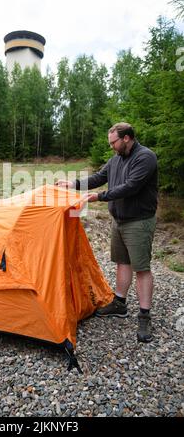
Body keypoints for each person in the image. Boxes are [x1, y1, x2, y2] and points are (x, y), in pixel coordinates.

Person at [57, 122, 158, 343]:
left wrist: (100, 197)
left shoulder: (145, 157)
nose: (112, 146)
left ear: (127, 138)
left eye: (114, 142)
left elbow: (131, 186)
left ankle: (144, 315)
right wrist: (72, 184)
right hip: (119, 220)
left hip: (139, 221)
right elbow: (98, 177)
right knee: (122, 262)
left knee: (141, 268)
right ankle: (120, 304)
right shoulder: (115, 160)